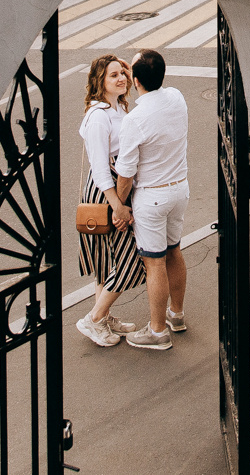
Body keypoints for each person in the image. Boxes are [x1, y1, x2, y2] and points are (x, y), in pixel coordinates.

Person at [112, 48, 188, 350]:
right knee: (175, 251)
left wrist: (119, 207)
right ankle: (176, 315)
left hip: (152, 198)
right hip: (179, 189)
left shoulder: (136, 119)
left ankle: (157, 332)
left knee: (153, 263)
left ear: (136, 80)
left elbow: (126, 173)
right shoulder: (177, 98)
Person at [75, 54, 144, 347]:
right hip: (107, 192)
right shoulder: (98, 116)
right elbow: (100, 168)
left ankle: (102, 317)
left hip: (117, 188)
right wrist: (117, 204)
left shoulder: (117, 107)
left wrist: (130, 73)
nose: (121, 78)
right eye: (113, 75)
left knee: (106, 260)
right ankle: (92, 319)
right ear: (99, 82)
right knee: (131, 260)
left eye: (123, 74)